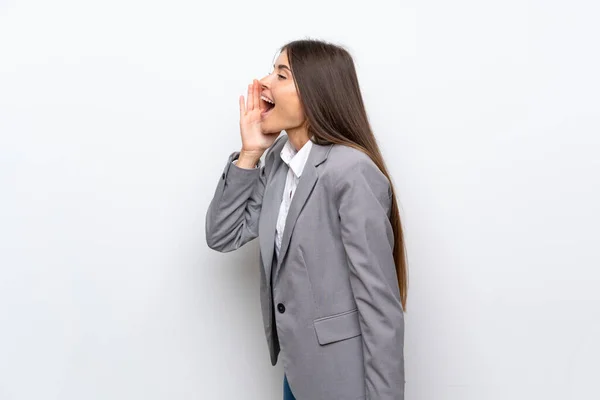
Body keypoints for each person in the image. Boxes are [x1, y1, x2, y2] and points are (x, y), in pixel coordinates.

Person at [205, 38, 407, 400]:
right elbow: (223, 234)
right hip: (298, 375)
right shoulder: (279, 164)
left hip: (344, 380)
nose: (263, 82)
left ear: (315, 93)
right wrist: (250, 153)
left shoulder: (351, 172)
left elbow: (380, 308)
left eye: (281, 74)